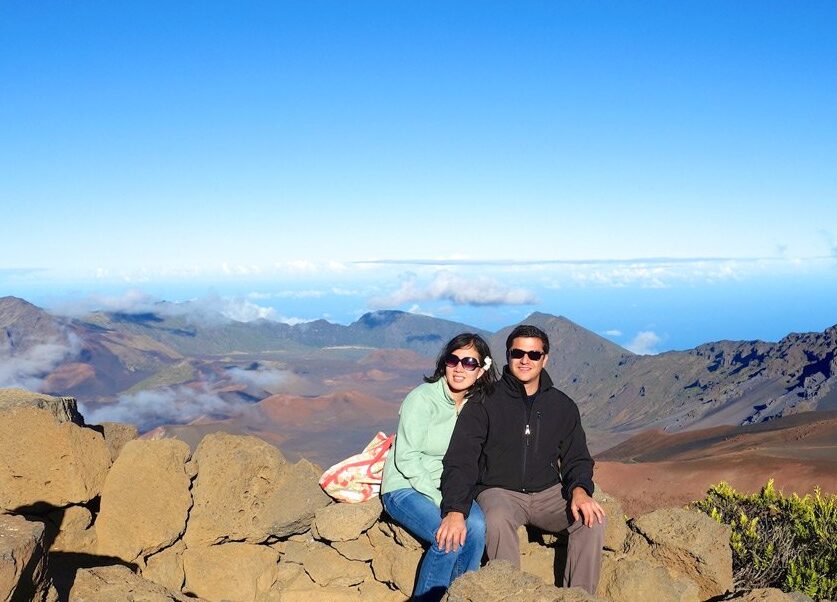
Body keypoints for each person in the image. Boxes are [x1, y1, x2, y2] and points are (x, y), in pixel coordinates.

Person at [437, 324, 606, 594]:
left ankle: (580, 597)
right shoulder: (484, 401)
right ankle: (508, 595)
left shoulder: (562, 406)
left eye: (534, 355)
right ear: (508, 355)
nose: (525, 360)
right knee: (495, 519)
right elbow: (461, 460)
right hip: (499, 491)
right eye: (518, 353)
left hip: (548, 492)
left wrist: (580, 490)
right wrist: (455, 510)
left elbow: (578, 458)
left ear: (545, 359)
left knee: (591, 520)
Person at [381, 333, 497, 601]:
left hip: (448, 487)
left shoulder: (476, 405)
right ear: (443, 363)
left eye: (469, 362)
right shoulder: (422, 399)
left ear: (481, 370)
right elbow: (406, 458)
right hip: (405, 486)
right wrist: (446, 507)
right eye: (453, 359)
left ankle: (460, 595)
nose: (459, 368)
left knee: (477, 529)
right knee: (448, 538)